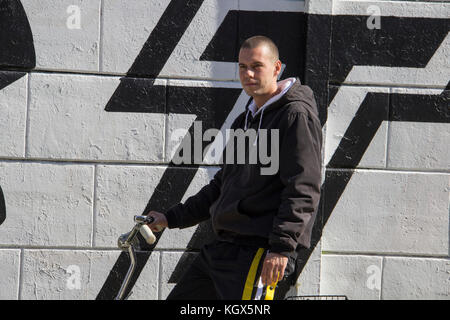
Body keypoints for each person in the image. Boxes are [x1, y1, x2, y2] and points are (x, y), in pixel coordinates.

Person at [146, 35, 322, 300]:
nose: (248, 73)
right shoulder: (245, 120)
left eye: (256, 66)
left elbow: (303, 188)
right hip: (223, 248)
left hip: (260, 252)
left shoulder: (294, 115)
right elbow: (222, 185)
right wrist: (171, 218)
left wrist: (281, 249)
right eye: (242, 66)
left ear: (276, 68)